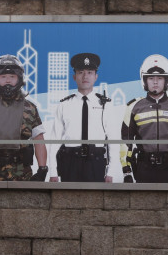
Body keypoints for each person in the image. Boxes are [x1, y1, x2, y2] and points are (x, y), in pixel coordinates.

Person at [121, 54, 168, 183]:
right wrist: (127, 171)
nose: (155, 82)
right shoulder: (133, 107)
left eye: (160, 78)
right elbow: (126, 141)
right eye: (151, 78)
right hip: (143, 168)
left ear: (167, 80)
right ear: (144, 80)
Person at [48, 53, 118, 183]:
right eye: (81, 72)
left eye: (90, 72)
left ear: (96, 76)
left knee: (96, 202)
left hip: (95, 163)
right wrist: (53, 172)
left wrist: (111, 172)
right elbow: (54, 140)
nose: (85, 76)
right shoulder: (64, 105)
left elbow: (113, 141)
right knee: (68, 201)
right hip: (70, 163)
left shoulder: (106, 105)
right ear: (74, 77)